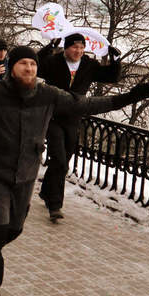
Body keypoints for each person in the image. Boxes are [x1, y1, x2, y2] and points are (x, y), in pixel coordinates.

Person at [0, 46, 149, 296]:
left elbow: (86, 105)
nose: (29, 69)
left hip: (26, 173)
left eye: (32, 64)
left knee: (15, 228)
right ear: (12, 67)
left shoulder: (48, 95)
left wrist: (128, 97)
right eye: (23, 64)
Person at [37, 33, 122, 220]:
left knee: (64, 158)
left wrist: (116, 59)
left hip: (74, 118)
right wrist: (49, 47)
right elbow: (37, 67)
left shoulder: (88, 64)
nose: (78, 51)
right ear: (66, 48)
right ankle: (55, 205)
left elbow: (111, 77)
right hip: (53, 117)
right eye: (75, 47)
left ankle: (46, 190)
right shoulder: (54, 61)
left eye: (82, 48)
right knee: (58, 159)